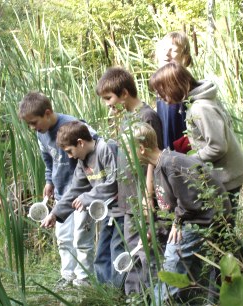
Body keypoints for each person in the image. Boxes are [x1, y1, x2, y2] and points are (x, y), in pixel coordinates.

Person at [128, 122, 231, 303]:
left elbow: (190, 201)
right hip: (191, 217)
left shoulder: (172, 164)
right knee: (193, 271)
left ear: (142, 149)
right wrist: (157, 227)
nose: (128, 155)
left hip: (202, 219)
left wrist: (178, 222)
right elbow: (171, 204)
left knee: (172, 263)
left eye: (130, 150)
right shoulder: (161, 165)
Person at [149, 62, 243, 221]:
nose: (160, 97)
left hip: (227, 177)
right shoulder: (196, 102)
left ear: (174, 86)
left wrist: (189, 160)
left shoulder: (200, 107)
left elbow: (218, 147)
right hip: (224, 174)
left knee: (223, 227)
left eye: (162, 91)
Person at [18, 91, 96, 289]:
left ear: (47, 113)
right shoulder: (41, 134)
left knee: (81, 239)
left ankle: (84, 279)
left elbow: (95, 146)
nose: (32, 128)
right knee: (64, 239)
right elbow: (48, 160)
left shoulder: (71, 125)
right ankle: (67, 275)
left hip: (81, 195)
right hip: (62, 193)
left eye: (34, 122)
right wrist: (49, 181)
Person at [96, 67, 163, 295]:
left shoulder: (147, 117)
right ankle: (134, 295)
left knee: (143, 252)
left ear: (124, 93)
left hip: (140, 197)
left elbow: (154, 159)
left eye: (109, 98)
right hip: (127, 197)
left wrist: (148, 196)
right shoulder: (126, 118)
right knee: (132, 250)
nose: (107, 104)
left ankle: (144, 296)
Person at [40, 121, 125, 288]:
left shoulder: (106, 148)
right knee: (102, 254)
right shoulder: (82, 161)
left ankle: (119, 291)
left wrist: (87, 197)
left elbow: (114, 182)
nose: (70, 157)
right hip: (107, 213)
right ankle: (105, 292)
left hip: (122, 211)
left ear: (80, 142)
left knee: (117, 251)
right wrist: (55, 213)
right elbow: (74, 189)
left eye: (70, 151)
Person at [154, 31, 192, 153]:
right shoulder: (161, 87)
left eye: (173, 50)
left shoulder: (185, 87)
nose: (166, 54)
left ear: (185, 57)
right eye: (164, 49)